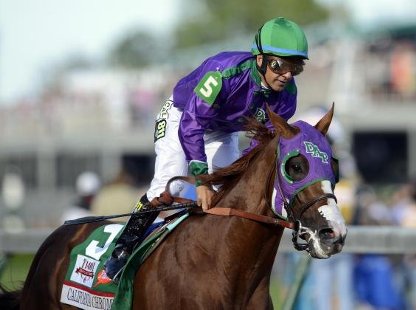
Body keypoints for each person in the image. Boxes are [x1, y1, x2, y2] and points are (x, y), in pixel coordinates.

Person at [104, 17, 310, 279]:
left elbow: (261, 149)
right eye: (279, 65)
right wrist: (201, 180)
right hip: (183, 116)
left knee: (236, 188)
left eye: (296, 67)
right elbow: (191, 124)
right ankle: (122, 251)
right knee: (170, 183)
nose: (287, 74)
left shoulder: (288, 96)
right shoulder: (223, 71)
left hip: (223, 131)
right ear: (259, 59)